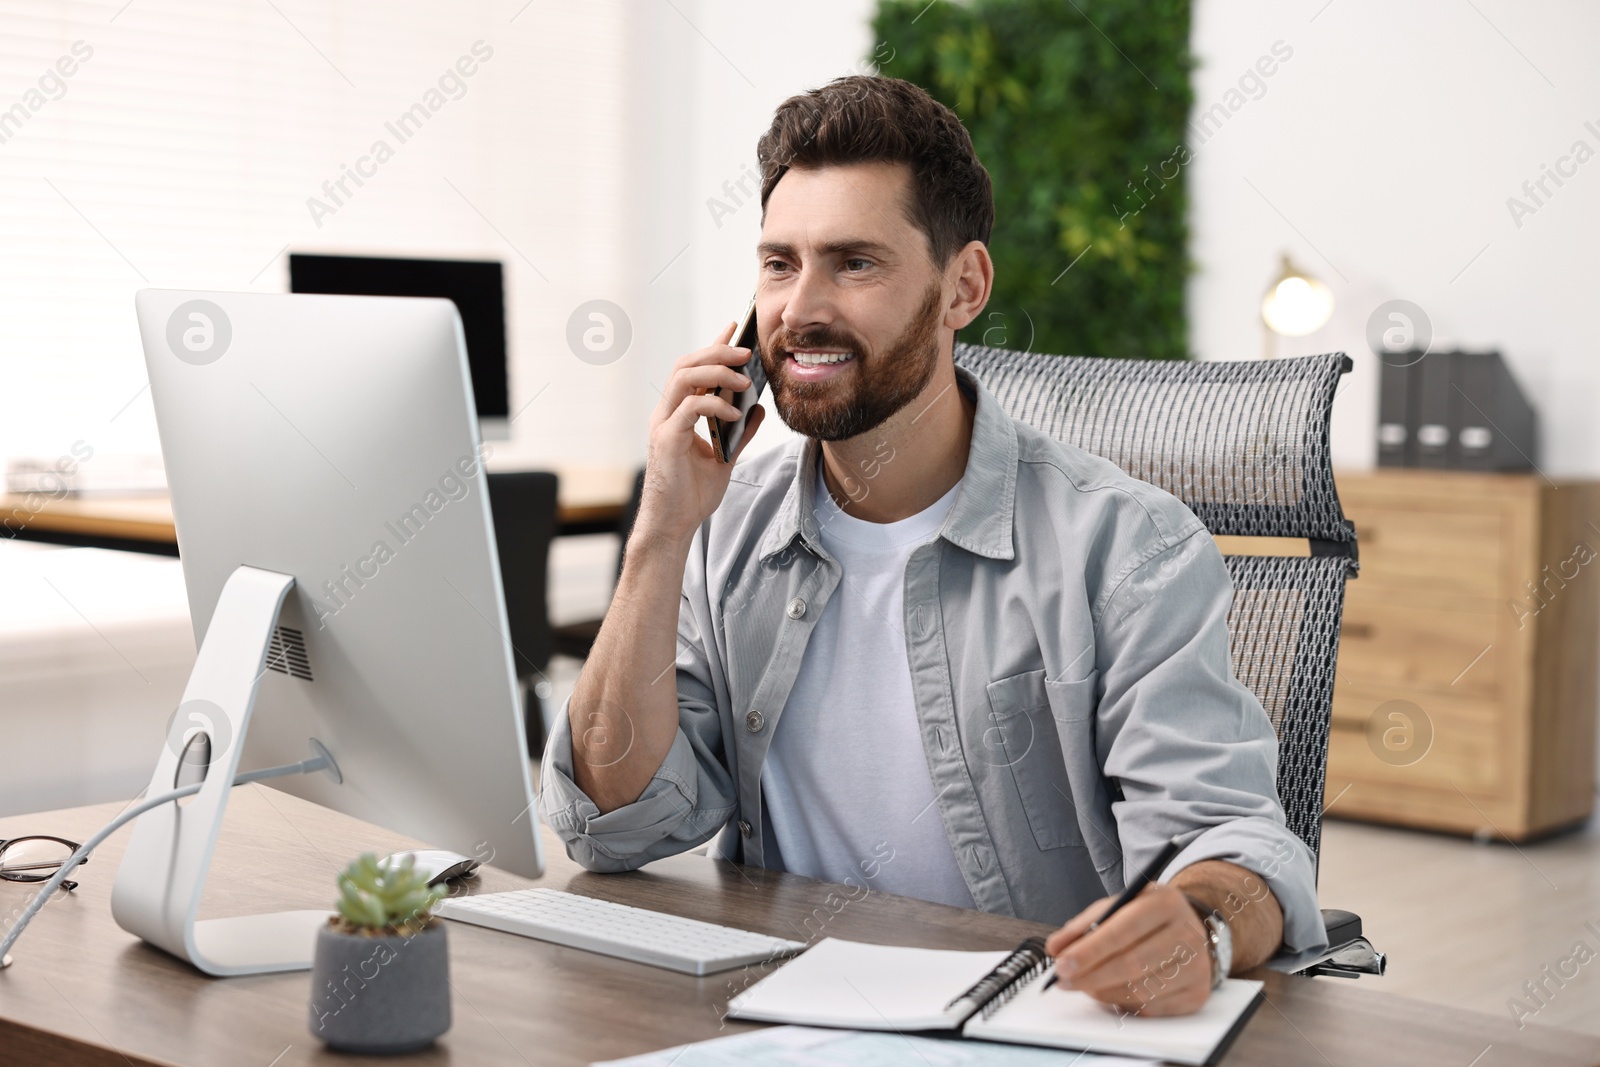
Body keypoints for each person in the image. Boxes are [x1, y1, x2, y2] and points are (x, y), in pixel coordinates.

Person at [541, 74, 1327, 1016]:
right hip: (780, 1017)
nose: (801, 308)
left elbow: (1236, 842)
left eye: (855, 263)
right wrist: (659, 537)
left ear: (965, 287)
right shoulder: (722, 530)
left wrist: (1203, 924)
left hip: (1024, 1024)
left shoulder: (1128, 546)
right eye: (779, 264)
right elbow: (613, 828)